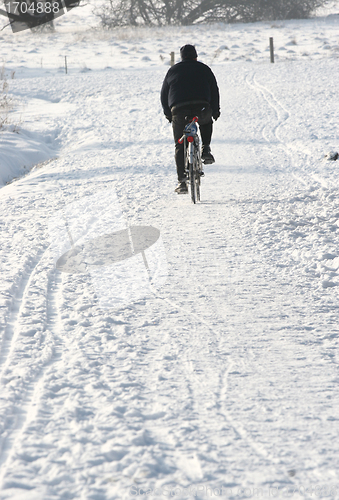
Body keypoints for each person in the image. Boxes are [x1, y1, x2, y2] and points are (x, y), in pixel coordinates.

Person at [161, 44, 220, 193]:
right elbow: (214, 90)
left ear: (181, 57)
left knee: (179, 145)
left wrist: (169, 114)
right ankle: (205, 148)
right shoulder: (204, 68)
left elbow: (164, 94)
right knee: (206, 122)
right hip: (202, 107)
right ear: (196, 56)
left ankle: (182, 182)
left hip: (179, 110)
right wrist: (215, 111)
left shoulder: (172, 70)